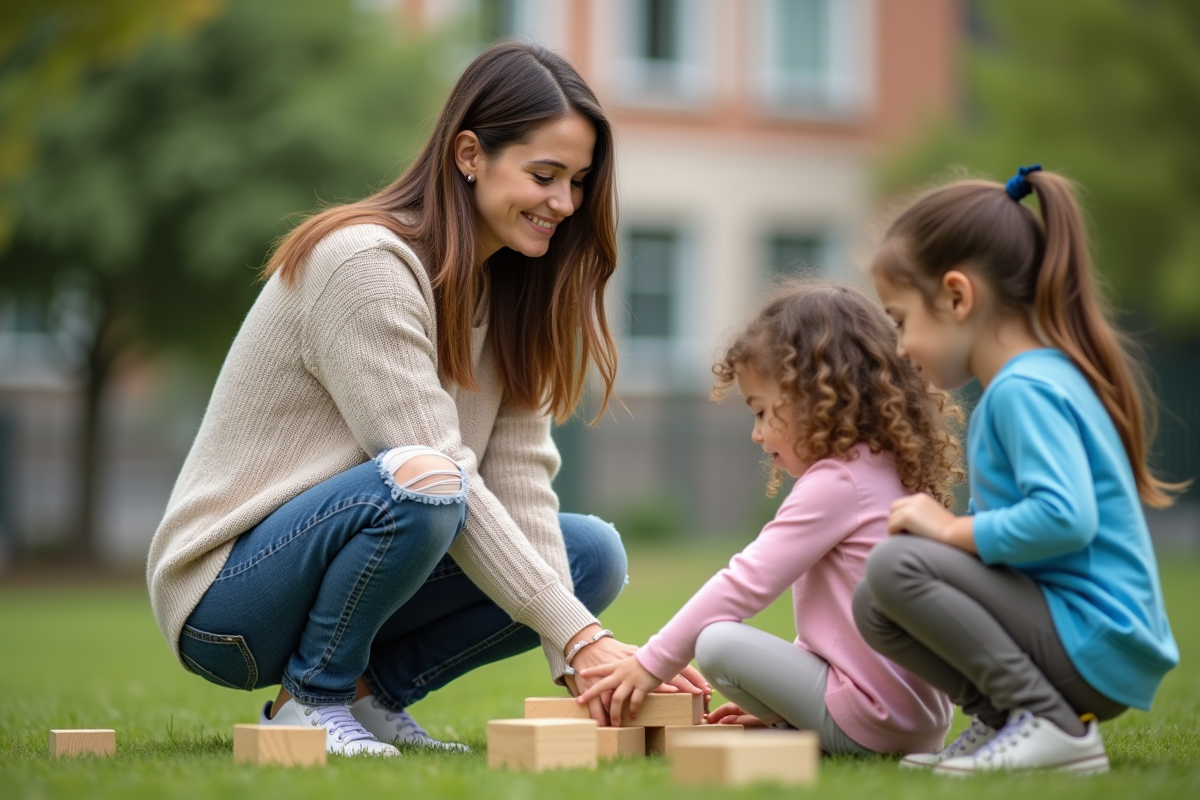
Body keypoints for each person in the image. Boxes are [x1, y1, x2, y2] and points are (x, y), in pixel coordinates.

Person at [146, 41, 703, 758]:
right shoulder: (364, 266)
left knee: (591, 554)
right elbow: (438, 474)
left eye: (578, 182)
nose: (564, 204)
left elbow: (520, 485)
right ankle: (308, 701)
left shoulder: (513, 296)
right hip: (229, 601)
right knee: (427, 481)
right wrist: (582, 634)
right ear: (470, 154)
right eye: (545, 175)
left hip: (376, 533)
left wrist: (578, 658)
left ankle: (367, 697)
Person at [855, 165, 1182, 775]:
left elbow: (1066, 518)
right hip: (1076, 637)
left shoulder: (1024, 389)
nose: (899, 347)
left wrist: (949, 532)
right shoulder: (1029, 382)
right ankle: (1009, 720)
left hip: (1095, 640)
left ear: (957, 296)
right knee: (876, 600)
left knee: (896, 565)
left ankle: (1053, 725)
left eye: (900, 320)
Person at [576, 283, 961, 756]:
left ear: (817, 396)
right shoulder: (887, 468)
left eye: (761, 411)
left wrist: (650, 664)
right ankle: (800, 729)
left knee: (717, 641)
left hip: (872, 721)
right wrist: (782, 702)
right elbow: (848, 633)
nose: (757, 435)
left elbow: (744, 582)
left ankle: (820, 737)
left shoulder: (837, 482)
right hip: (921, 722)